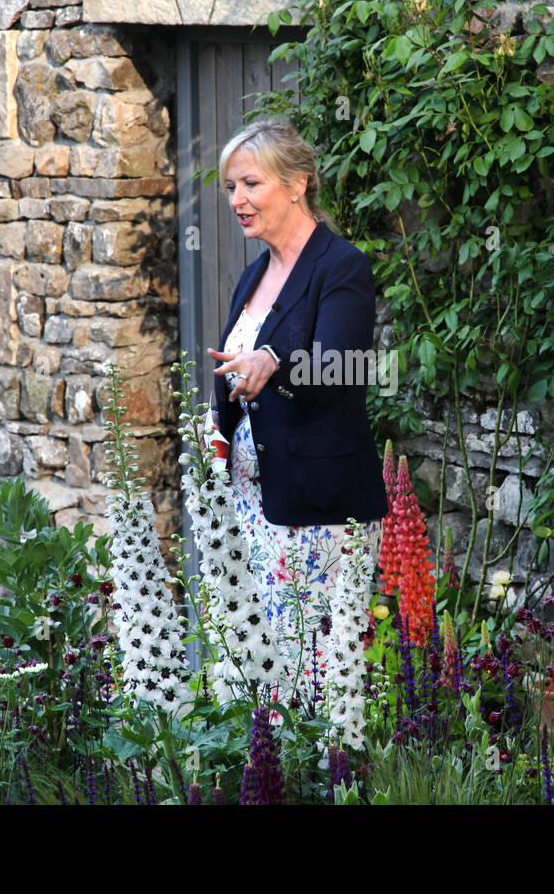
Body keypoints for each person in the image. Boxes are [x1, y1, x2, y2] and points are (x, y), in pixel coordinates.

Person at [202, 120, 389, 686]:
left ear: (297, 184)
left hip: (316, 514)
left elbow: (344, 366)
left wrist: (275, 363)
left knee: (313, 678)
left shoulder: (340, 266)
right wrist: (214, 428)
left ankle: (326, 776)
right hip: (250, 508)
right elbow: (236, 373)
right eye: (231, 187)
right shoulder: (255, 274)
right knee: (254, 670)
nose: (238, 200)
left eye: (251, 184)